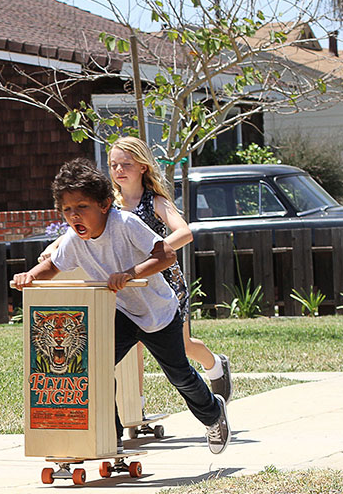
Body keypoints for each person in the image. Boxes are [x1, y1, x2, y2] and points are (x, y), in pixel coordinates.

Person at [14, 158, 229, 454]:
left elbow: (167, 255)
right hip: (120, 313)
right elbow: (53, 265)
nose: (74, 215)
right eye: (67, 209)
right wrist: (30, 276)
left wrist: (130, 273)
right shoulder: (74, 240)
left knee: (179, 375)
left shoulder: (125, 224)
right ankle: (109, 435)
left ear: (104, 204)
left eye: (82, 207)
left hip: (157, 313)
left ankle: (213, 414)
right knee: (96, 369)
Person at [41, 137, 232, 400]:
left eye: (126, 164)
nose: (119, 170)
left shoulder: (154, 202)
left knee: (182, 344)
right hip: (126, 284)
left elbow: (184, 233)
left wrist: (147, 256)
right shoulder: (109, 203)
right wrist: (53, 247)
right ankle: (138, 402)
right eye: (113, 165)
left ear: (143, 166)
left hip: (161, 278)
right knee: (134, 343)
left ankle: (215, 364)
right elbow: (78, 231)